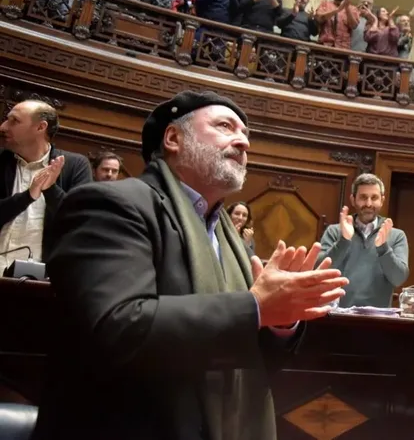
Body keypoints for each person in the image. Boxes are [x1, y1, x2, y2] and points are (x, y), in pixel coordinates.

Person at [33, 91, 349, 439]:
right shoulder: (109, 204)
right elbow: (117, 329)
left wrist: (279, 321)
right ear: (173, 138)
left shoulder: (229, 238)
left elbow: (248, 360)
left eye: (246, 135)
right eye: (225, 126)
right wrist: (255, 307)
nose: (243, 142)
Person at [0, 100, 92, 268]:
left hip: (43, 277)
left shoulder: (75, 165)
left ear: (40, 127)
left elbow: (80, 223)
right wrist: (27, 197)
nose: (3, 127)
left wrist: (50, 190)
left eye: (14, 121)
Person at [318, 173, 409, 308]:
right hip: (336, 315)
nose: (368, 204)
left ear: (382, 200)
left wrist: (383, 248)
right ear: (353, 199)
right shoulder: (335, 231)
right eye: (363, 197)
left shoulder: (396, 235)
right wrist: (344, 241)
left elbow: (399, 278)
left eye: (374, 198)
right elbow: (319, 271)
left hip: (377, 318)